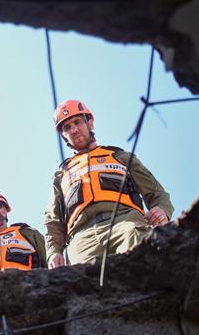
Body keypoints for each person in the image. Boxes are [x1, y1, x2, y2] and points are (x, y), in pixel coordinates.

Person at [45, 99, 174, 268]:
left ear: (90, 122)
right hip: (81, 238)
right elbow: (53, 220)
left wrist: (162, 210)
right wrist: (54, 252)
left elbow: (157, 193)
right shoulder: (61, 175)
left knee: (142, 264)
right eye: (67, 127)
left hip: (125, 223)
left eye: (77, 122)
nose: (74, 130)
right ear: (63, 135)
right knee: (82, 287)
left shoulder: (121, 157)